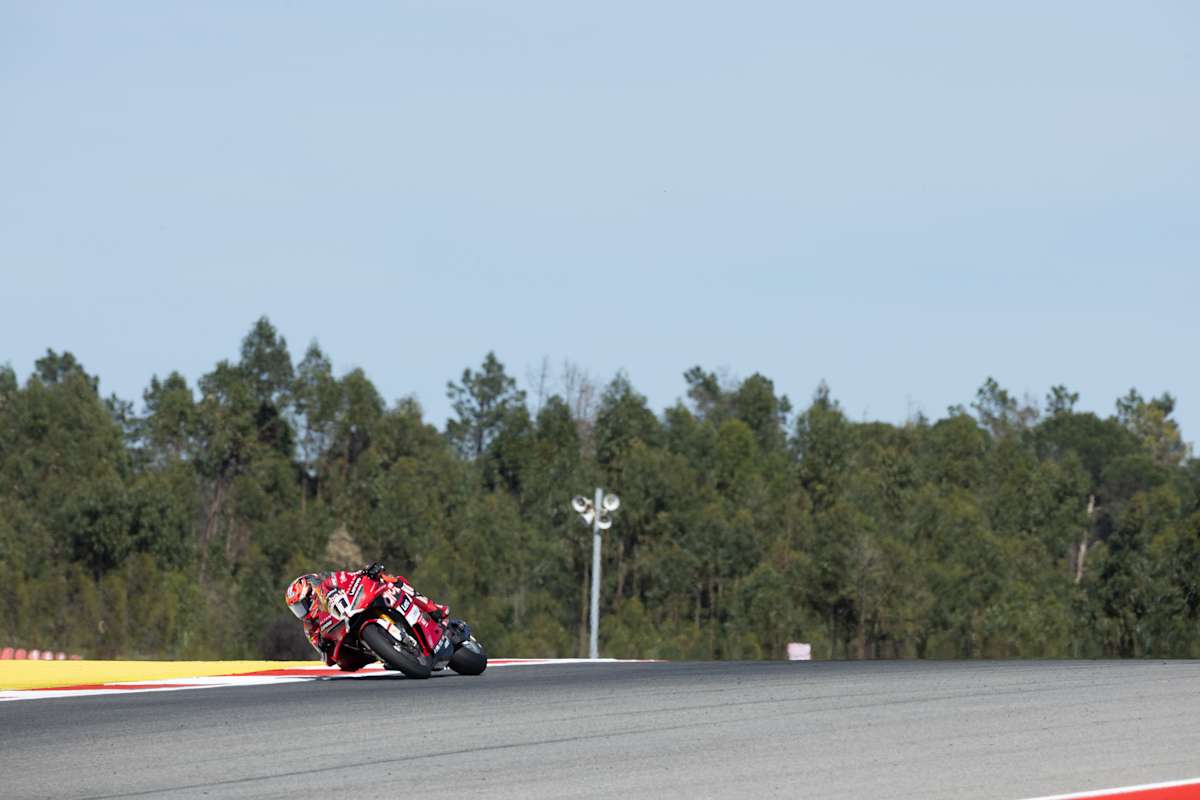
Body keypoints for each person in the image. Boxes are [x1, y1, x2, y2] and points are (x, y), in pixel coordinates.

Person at [285, 562, 449, 671]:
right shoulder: (309, 626)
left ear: (312, 592)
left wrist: (367, 571)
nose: (303, 611)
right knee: (346, 663)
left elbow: (350, 577)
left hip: (359, 605)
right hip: (348, 639)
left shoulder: (329, 581)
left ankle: (435, 609)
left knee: (391, 581)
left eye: (303, 604)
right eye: (297, 609)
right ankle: (387, 654)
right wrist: (323, 645)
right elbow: (324, 657)